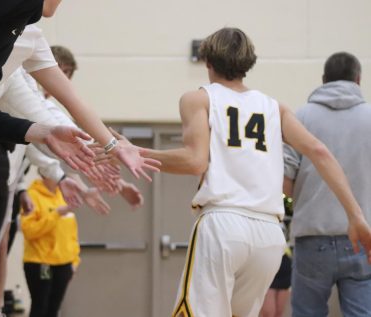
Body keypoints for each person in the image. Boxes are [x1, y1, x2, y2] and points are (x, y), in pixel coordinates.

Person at [133, 27, 371, 317]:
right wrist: (355, 215)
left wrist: (139, 153)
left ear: (207, 61)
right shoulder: (275, 108)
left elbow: (195, 161)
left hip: (224, 223)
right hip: (269, 235)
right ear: (249, 62)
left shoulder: (199, 99)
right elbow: (319, 152)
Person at [283, 52, 371, 317]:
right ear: (358, 79)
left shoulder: (301, 117)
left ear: (323, 80)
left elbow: (284, 184)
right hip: (362, 238)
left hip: (311, 239)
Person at [21, 177, 80, 317]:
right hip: (42, 264)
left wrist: (74, 261)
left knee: (54, 309)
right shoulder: (32, 195)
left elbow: (72, 233)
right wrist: (56, 214)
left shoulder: (64, 195)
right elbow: (29, 230)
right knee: (41, 306)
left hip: (64, 264)